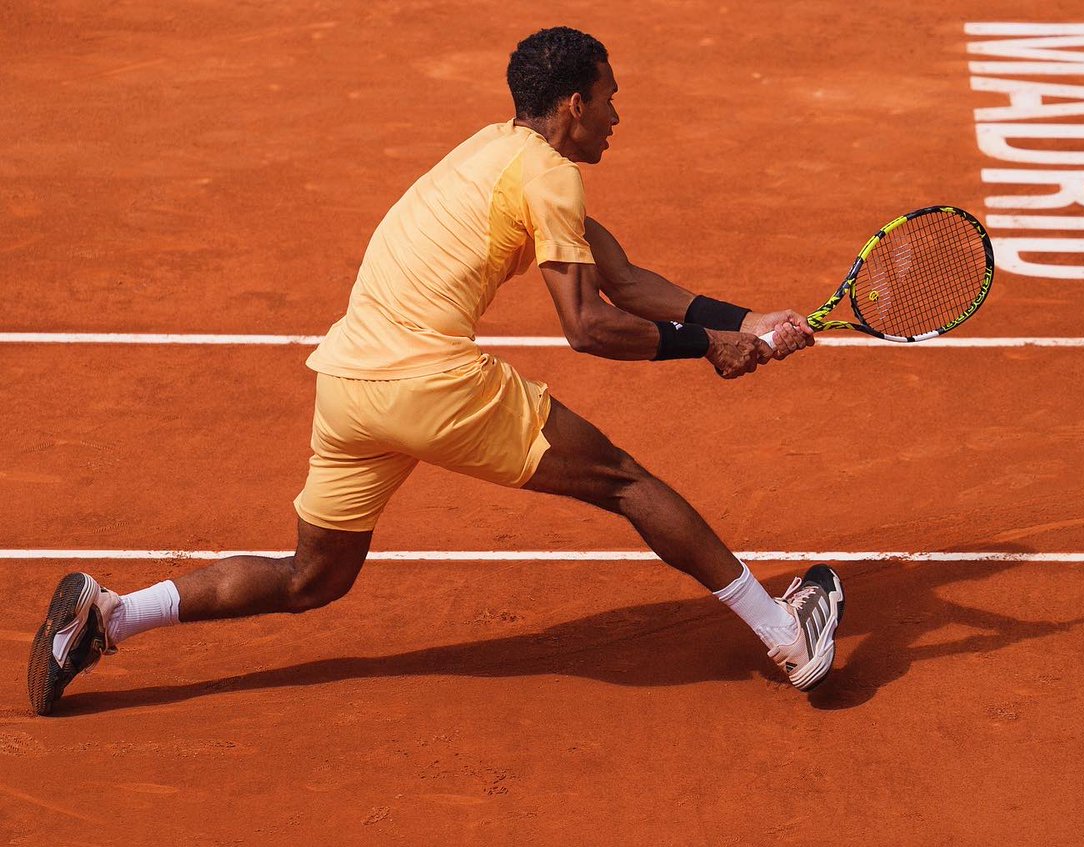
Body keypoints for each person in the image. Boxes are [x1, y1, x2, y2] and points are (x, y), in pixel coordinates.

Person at [27, 26, 844, 716]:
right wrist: (705, 348)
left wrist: (744, 322)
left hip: (347, 381)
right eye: (608, 98)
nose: (616, 115)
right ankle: (782, 633)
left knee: (315, 576)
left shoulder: (498, 151)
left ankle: (109, 615)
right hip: (428, 379)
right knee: (626, 483)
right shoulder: (550, 176)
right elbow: (591, 325)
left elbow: (624, 279)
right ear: (573, 105)